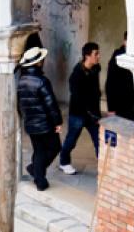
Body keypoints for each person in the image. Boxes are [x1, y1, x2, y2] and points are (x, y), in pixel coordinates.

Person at [17, 46, 62, 191]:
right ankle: (39, 178)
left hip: (30, 124)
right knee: (55, 147)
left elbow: (19, 104)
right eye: (41, 60)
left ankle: (35, 171)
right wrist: (58, 122)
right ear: (38, 63)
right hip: (45, 124)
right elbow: (51, 104)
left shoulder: (21, 81)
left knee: (39, 150)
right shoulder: (42, 81)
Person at [59, 41, 101, 175]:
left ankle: (104, 168)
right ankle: (64, 162)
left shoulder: (95, 69)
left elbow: (95, 94)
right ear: (87, 56)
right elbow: (78, 98)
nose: (99, 56)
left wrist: (97, 114)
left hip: (92, 115)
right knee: (71, 140)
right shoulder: (76, 75)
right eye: (96, 54)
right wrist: (91, 113)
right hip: (78, 114)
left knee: (99, 141)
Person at [105, 31, 134, 122]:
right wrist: (111, 108)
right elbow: (110, 84)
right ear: (125, 42)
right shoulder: (118, 56)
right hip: (120, 106)